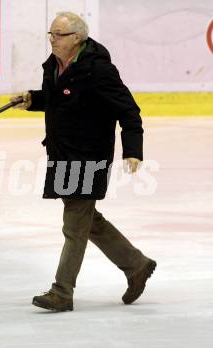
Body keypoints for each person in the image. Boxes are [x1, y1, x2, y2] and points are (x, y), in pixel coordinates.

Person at [12, 12, 156, 311]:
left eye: (59, 34)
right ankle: (136, 264)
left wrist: (133, 149)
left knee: (75, 224)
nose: (52, 39)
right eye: (50, 34)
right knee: (85, 218)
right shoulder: (54, 65)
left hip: (89, 156)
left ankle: (62, 291)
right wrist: (33, 100)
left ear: (77, 38)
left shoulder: (98, 70)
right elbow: (61, 99)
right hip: (63, 152)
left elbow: (129, 110)